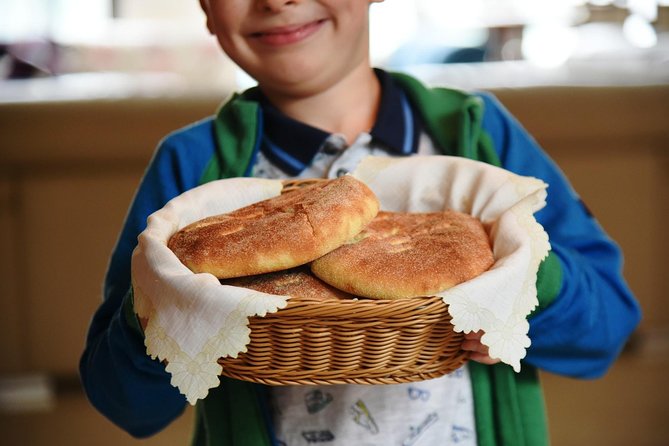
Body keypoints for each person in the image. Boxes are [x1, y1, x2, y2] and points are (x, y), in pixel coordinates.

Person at [79, 1, 641, 445]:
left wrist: (520, 286)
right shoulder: (193, 172)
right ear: (206, 7)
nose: (278, 1)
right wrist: (165, 305)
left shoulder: (477, 138)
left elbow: (608, 326)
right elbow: (125, 403)